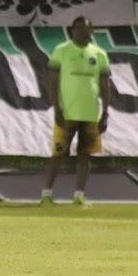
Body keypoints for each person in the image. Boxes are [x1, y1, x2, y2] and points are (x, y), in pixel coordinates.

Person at [40, 16, 112, 207]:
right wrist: (57, 108)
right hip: (67, 114)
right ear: (71, 30)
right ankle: (46, 194)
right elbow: (52, 81)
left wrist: (105, 113)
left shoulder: (99, 54)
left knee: (84, 155)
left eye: (86, 28)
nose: (82, 31)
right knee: (58, 154)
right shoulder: (61, 51)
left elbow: (105, 85)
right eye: (78, 28)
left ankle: (79, 195)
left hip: (90, 114)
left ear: (92, 31)